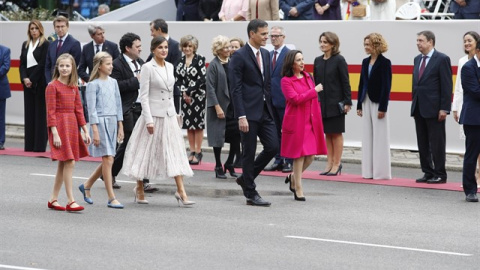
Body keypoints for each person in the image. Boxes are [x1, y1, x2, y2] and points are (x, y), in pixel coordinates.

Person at [122, 36, 195, 206]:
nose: (164, 50)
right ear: (153, 50)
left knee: (174, 152)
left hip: (169, 115)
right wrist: (148, 120)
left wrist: (177, 113)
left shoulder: (170, 66)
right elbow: (144, 96)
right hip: (152, 116)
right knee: (145, 153)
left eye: (166, 47)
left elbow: (170, 93)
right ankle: (139, 187)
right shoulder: (147, 67)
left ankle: (181, 191)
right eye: (160, 47)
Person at [229, 19, 278, 207]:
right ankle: (250, 191)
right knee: (248, 152)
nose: (268, 37)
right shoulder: (239, 56)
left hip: (265, 110)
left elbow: (265, 84)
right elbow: (236, 88)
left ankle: (245, 178)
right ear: (252, 34)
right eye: (264, 34)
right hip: (247, 113)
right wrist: (241, 115)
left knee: (273, 146)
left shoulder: (265, 54)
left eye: (268, 33)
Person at [110, 33, 157, 192]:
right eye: (137, 47)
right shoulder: (117, 64)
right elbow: (115, 86)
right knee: (128, 143)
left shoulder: (142, 63)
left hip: (142, 108)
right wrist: (135, 80)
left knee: (143, 143)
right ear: (127, 48)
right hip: (127, 108)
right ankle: (110, 173)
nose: (140, 49)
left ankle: (144, 180)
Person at [46, 53, 91, 212]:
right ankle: (71, 200)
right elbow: (50, 112)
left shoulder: (74, 87)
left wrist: (85, 130)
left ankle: (53, 198)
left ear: (72, 68)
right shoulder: (52, 86)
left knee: (62, 164)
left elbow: (79, 110)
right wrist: (55, 133)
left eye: (67, 66)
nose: (64, 68)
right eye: (61, 65)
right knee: (70, 161)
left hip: (71, 125)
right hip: (59, 126)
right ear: (57, 67)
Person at [79, 52, 125, 209]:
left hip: (113, 121)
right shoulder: (93, 85)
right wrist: (95, 130)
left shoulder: (113, 82)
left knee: (109, 159)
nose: (111, 66)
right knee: (108, 159)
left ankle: (86, 185)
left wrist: (120, 125)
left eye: (111, 63)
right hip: (100, 123)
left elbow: (118, 104)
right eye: (108, 64)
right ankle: (111, 198)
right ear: (99, 66)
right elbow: (91, 110)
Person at [281, 50, 327, 201]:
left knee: (311, 155)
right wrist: (314, 91)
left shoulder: (308, 76)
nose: (302, 62)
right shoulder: (286, 81)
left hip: (311, 120)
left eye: (302, 59)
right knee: (299, 155)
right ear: (291, 63)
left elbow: (312, 101)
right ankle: (298, 187)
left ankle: (294, 177)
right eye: (298, 60)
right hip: (297, 121)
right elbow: (295, 99)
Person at [411, 30, 452, 184]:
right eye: (417, 40)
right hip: (419, 107)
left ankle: (440, 173)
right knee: (422, 142)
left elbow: (446, 85)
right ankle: (427, 172)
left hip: (435, 109)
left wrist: (444, 108)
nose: (418, 43)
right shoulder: (417, 59)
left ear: (430, 42)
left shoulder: (441, 59)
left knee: (437, 143)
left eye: (421, 40)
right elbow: (416, 84)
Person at [314, 31, 352, 176]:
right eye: (321, 41)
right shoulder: (318, 60)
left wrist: (347, 101)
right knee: (327, 134)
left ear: (333, 44)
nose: (322, 44)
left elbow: (345, 82)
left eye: (325, 42)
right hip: (321, 103)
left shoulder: (339, 60)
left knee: (336, 133)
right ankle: (329, 163)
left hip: (336, 103)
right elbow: (316, 83)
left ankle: (337, 163)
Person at [356, 33, 392, 180]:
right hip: (365, 100)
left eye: (368, 44)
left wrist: (383, 107)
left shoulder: (385, 62)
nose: (366, 47)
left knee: (380, 136)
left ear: (376, 45)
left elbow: (386, 86)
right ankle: (367, 172)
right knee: (367, 136)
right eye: (365, 44)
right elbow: (361, 83)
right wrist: (359, 104)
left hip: (378, 102)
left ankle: (381, 173)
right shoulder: (365, 62)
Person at [206, 35, 240, 179]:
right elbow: (210, 88)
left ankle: (230, 163)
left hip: (233, 105)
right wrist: (217, 107)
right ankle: (218, 165)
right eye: (226, 47)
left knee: (236, 136)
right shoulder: (214, 65)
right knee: (218, 137)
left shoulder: (232, 62)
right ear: (219, 50)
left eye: (230, 47)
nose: (229, 49)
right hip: (219, 106)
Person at [264, 26, 293, 173]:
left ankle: (288, 160)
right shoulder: (268, 55)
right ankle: (278, 159)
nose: (274, 38)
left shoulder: (290, 55)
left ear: (283, 37)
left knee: (288, 131)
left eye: (277, 35)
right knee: (275, 132)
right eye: (272, 36)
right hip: (270, 100)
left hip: (285, 100)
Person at [452, 31, 480, 186]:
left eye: (470, 40)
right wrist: (455, 107)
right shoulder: (466, 64)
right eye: (465, 41)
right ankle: (471, 185)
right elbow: (463, 89)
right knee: (472, 152)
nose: (467, 43)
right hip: (472, 113)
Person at [175, 35, 207, 165]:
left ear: (194, 47)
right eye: (185, 46)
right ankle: (192, 150)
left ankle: (199, 151)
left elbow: (202, 78)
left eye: (190, 46)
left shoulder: (200, 59)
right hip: (185, 97)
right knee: (188, 125)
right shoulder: (180, 61)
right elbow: (178, 79)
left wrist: (189, 91)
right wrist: (183, 92)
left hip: (198, 96)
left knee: (197, 125)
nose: (187, 48)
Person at [19, 20, 49, 152]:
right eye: (32, 28)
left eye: (36, 28)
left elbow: (43, 64)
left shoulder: (45, 44)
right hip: (27, 83)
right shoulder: (25, 44)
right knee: (29, 112)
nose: (34, 31)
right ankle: (29, 145)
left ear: (40, 29)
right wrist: (25, 78)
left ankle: (39, 146)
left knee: (40, 113)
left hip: (40, 82)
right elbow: (22, 64)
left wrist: (32, 79)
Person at [459, 41, 480, 202]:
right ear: (478, 52)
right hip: (474, 119)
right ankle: (470, 190)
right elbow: (475, 91)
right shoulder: (468, 67)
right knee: (472, 154)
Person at [148, 19, 182, 114]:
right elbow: (148, 63)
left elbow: (176, 68)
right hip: (156, 95)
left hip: (171, 92)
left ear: (159, 30)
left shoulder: (175, 46)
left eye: (152, 30)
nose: (151, 34)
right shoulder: (154, 46)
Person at [45, 16, 81, 83]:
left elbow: (73, 67)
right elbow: (47, 66)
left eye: (62, 26)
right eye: (58, 27)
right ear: (54, 28)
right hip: (52, 83)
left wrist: (64, 83)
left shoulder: (74, 43)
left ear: (67, 27)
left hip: (67, 83)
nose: (60, 29)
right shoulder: (52, 44)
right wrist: (49, 82)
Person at [229, 37, 245, 168]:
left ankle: (241, 157)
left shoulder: (242, 61)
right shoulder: (226, 62)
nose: (233, 49)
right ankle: (235, 157)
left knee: (242, 132)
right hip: (229, 103)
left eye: (236, 47)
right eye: (231, 47)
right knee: (233, 133)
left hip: (240, 101)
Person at [0, 44, 10, 151]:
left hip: (1, 89)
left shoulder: (5, 50)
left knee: (0, 117)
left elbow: (6, 66)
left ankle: (0, 141)